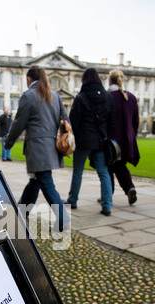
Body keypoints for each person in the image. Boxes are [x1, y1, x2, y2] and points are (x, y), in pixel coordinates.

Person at [5, 65, 69, 232]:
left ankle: (63, 217)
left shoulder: (29, 95)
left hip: (37, 147)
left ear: (29, 79)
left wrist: (9, 142)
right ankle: (21, 212)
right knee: (35, 181)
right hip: (50, 146)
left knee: (45, 181)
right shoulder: (55, 96)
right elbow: (66, 120)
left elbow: (19, 123)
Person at [63, 68, 115, 216]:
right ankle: (107, 205)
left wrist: (74, 138)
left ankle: (73, 200)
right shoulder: (107, 97)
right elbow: (112, 121)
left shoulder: (81, 98)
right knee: (103, 172)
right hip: (100, 139)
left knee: (78, 171)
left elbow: (73, 121)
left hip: (84, 139)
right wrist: (104, 133)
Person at [108, 69, 140, 205]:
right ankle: (130, 188)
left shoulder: (108, 96)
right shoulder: (131, 97)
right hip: (126, 139)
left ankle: (108, 193)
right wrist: (132, 135)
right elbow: (136, 121)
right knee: (121, 165)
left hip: (111, 139)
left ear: (110, 80)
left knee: (108, 166)